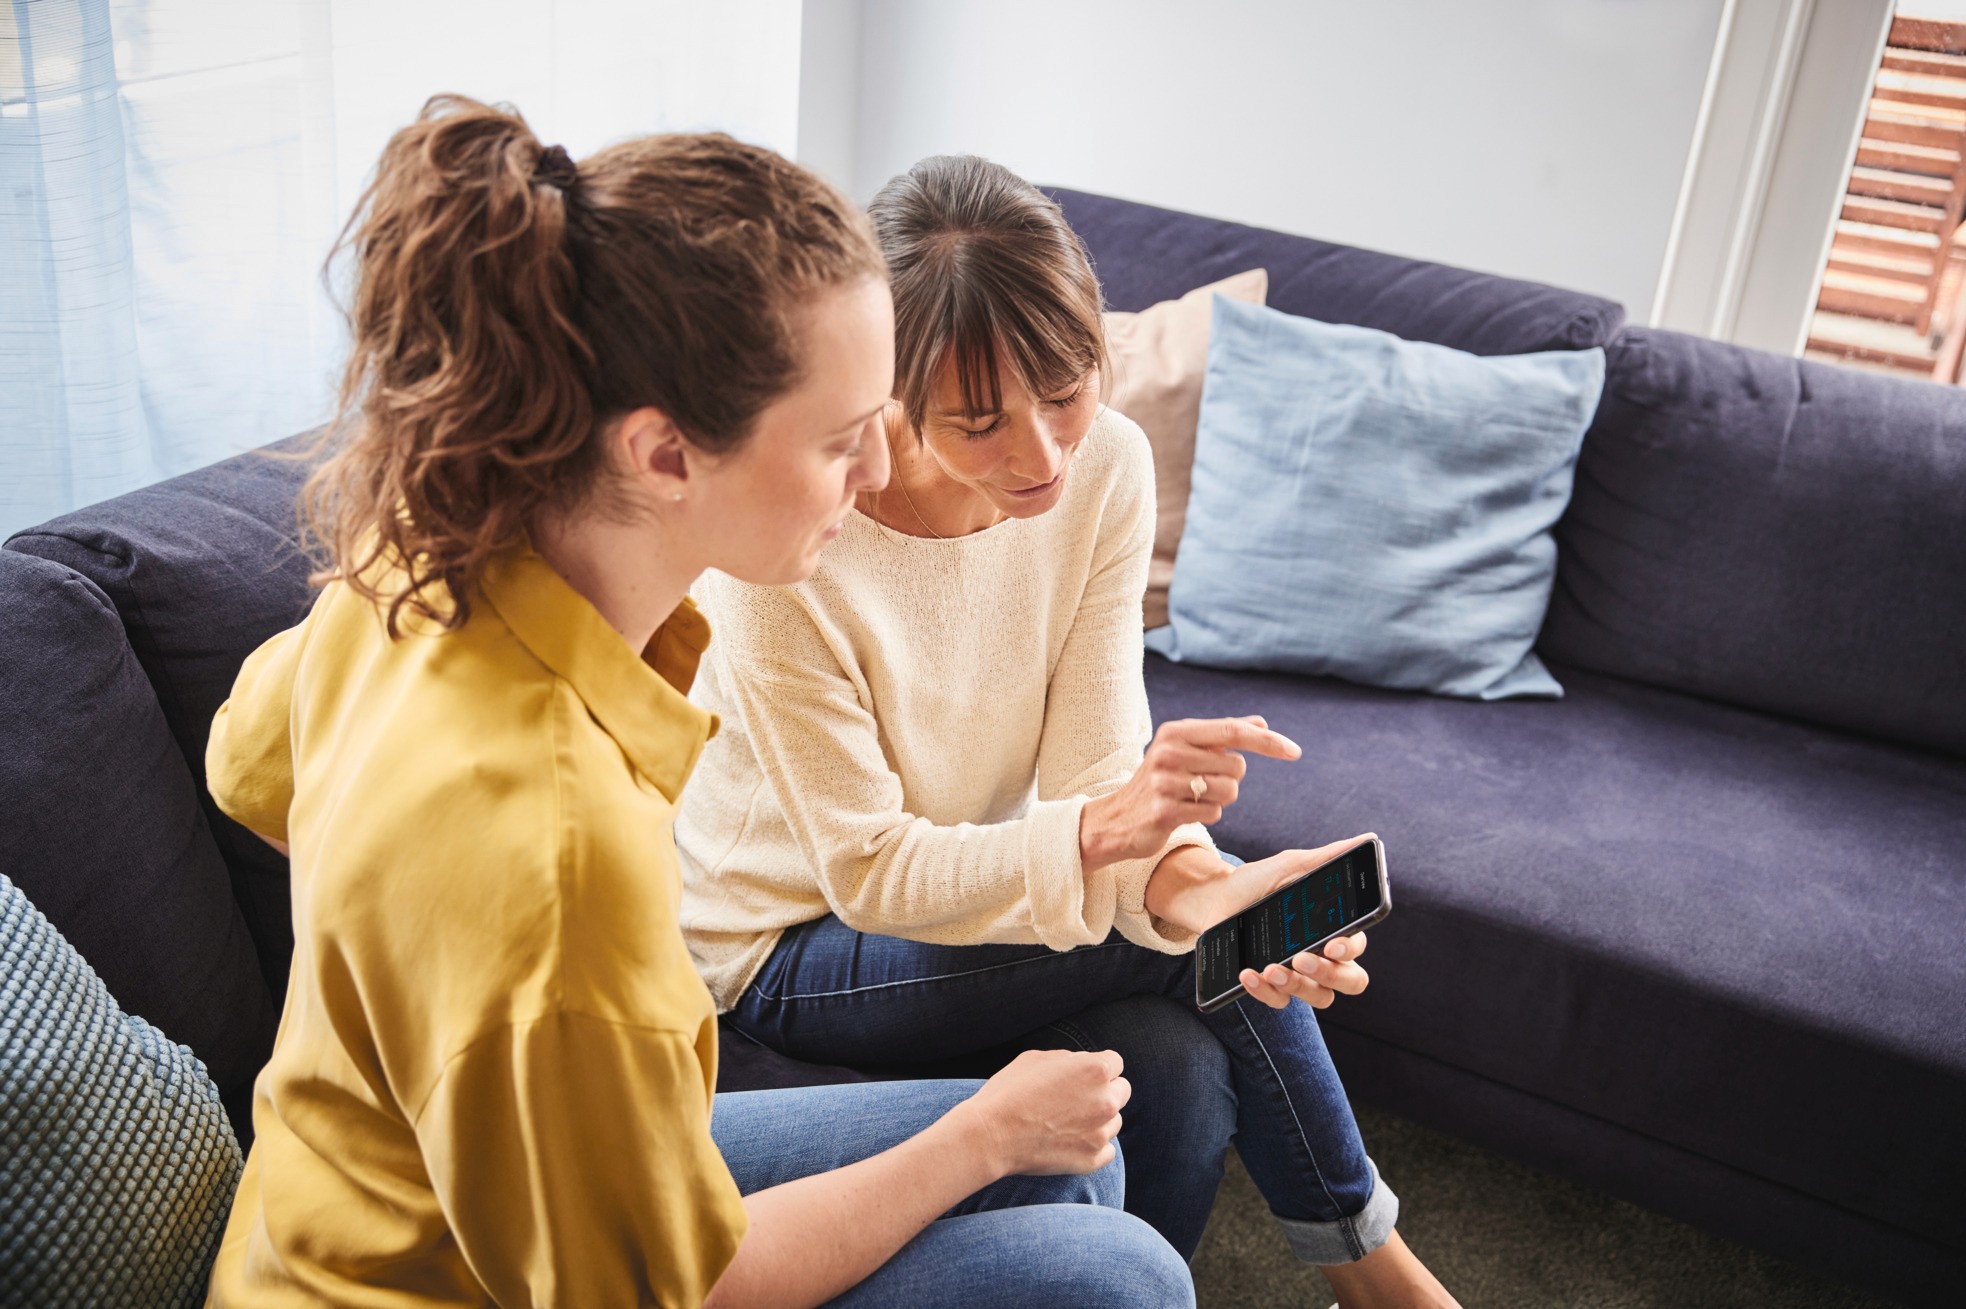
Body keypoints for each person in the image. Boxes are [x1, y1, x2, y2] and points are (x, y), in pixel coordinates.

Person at [202, 100, 1193, 1309]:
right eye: (840, 443)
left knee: (1082, 1174)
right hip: (429, 1283)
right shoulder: (560, 859)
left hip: (386, 1183)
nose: (884, 471)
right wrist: (978, 1138)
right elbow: (668, 1293)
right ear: (665, 456)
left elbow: (249, 773)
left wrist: (439, 1040)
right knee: (1111, 1269)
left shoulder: (420, 558)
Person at [677, 155, 1461, 1308]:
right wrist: (1169, 876)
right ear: (891, 392)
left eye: (1065, 391)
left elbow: (1097, 771)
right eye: (979, 419)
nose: (1041, 455)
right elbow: (870, 869)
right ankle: (1374, 1268)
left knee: (1182, 1071)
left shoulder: (1107, 465)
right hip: (791, 939)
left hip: (984, 893)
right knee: (1186, 953)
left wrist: (1205, 889)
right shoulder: (793, 546)